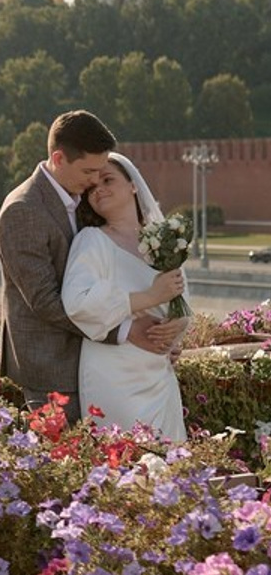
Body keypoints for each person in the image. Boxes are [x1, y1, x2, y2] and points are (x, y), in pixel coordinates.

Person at [0, 110, 170, 424]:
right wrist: (126, 330)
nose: (94, 181)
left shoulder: (84, 203)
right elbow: (46, 302)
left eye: (102, 171)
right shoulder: (22, 211)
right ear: (59, 159)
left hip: (100, 363)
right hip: (52, 369)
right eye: (89, 171)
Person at [61, 152, 187, 441]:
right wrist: (149, 296)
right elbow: (78, 303)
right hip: (114, 373)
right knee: (127, 459)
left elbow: (180, 298)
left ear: (133, 185)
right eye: (91, 188)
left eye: (108, 180)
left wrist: (177, 330)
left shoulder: (164, 243)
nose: (99, 189)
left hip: (158, 372)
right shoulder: (92, 240)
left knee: (169, 463)